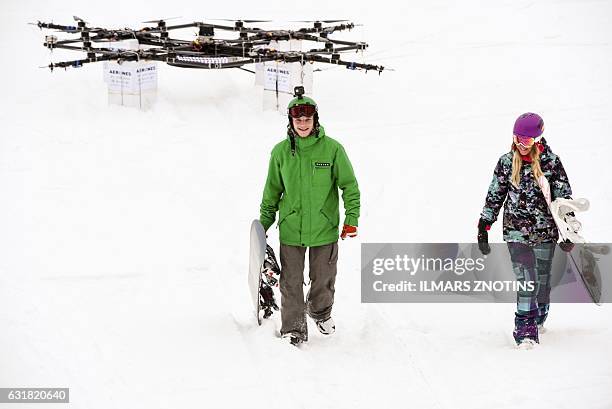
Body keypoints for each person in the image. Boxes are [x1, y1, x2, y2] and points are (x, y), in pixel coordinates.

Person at [259, 88, 360, 346]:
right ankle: (293, 328)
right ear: (291, 122)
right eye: (298, 120)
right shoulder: (281, 152)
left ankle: (320, 312)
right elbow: (272, 191)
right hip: (292, 228)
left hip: (324, 229)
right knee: (290, 282)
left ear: (315, 120)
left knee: (324, 279)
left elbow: (349, 186)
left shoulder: (333, 150)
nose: (303, 124)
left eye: (307, 119)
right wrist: (263, 225)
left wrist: (352, 218)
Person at [477, 112, 573, 348]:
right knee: (526, 281)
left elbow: (563, 199)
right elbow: (495, 196)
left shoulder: (551, 163)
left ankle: (538, 316)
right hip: (516, 232)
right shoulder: (506, 162)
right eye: (518, 139)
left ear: (538, 140)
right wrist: (484, 225)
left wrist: (568, 230)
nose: (521, 145)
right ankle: (525, 331)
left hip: (545, 232)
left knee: (541, 280)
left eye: (527, 141)